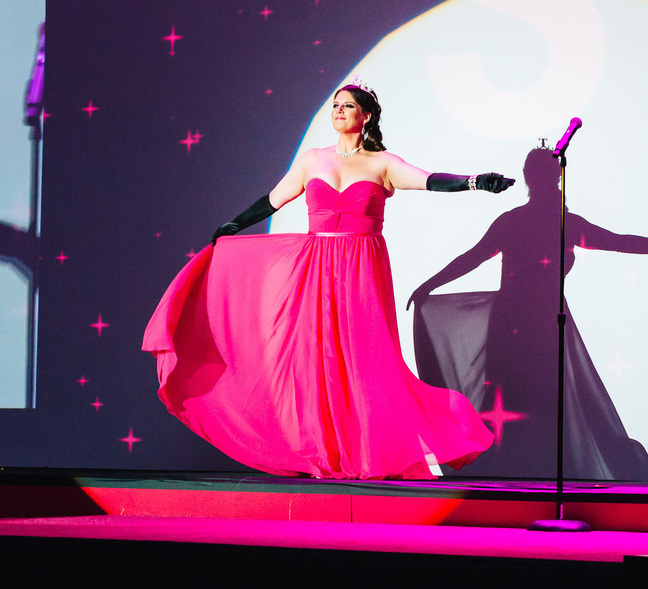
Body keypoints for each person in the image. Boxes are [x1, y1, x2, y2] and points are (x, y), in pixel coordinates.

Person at [142, 78, 513, 479]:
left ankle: (373, 452)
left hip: (361, 269)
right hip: (316, 268)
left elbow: (429, 180)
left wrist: (474, 182)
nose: (338, 111)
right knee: (316, 361)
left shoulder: (382, 163)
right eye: (336, 105)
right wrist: (235, 224)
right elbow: (273, 199)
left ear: (365, 116)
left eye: (347, 106)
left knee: (368, 362)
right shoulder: (312, 159)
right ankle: (324, 451)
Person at [407, 147, 648, 481]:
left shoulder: (531, 222)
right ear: (555, 176)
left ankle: (525, 474)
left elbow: (473, 257)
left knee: (524, 400)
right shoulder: (551, 223)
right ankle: (523, 474)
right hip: (530, 325)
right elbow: (473, 257)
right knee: (533, 401)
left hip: (525, 324)